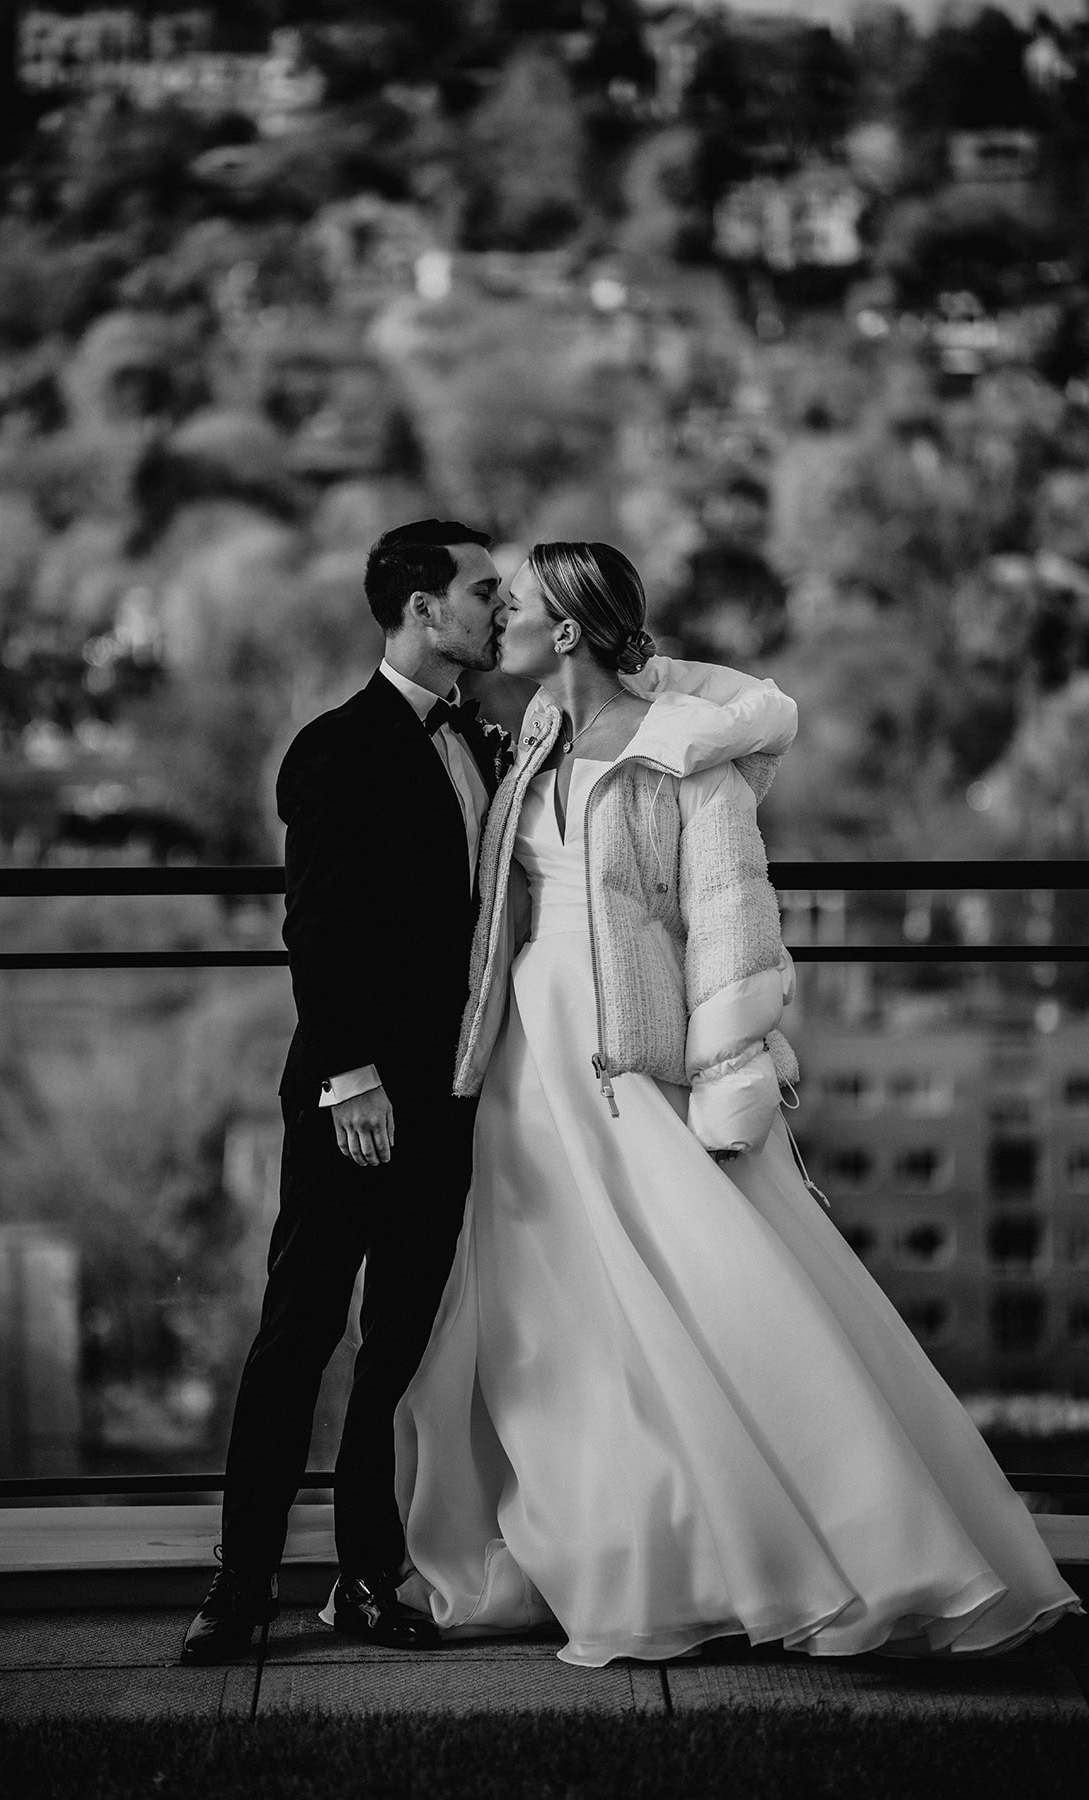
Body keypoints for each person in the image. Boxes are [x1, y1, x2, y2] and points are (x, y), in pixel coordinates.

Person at [395, 540, 1082, 1667]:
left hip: (638, 1058)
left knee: (713, 1291)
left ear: (563, 631)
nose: (497, 614)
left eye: (515, 602)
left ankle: (823, 1550)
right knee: (557, 1314)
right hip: (528, 1060)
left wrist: (728, 1081)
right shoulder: (531, 742)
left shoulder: (688, 759)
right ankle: (623, 1550)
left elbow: (729, 923)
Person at [182, 519, 509, 1664]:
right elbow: (317, 930)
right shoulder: (334, 748)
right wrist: (350, 1077)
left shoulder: (486, 741)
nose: (503, 610)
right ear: (423, 609)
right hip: (352, 1096)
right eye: (484, 592)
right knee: (299, 1332)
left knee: (397, 1342)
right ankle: (240, 1586)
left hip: (451, 1096)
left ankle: (368, 1574)